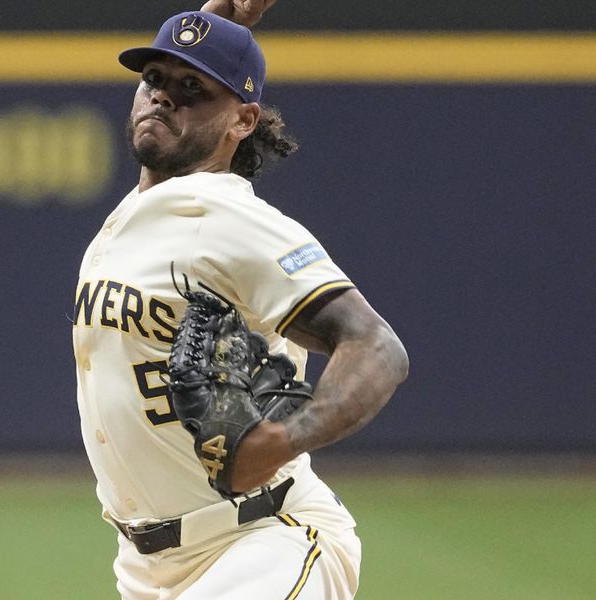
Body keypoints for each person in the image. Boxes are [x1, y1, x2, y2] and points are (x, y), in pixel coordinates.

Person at [72, 10, 409, 599]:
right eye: (153, 78)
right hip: (146, 568)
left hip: (262, 540)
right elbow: (187, 59)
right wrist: (215, 19)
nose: (162, 98)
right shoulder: (139, 213)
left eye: (191, 89)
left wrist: (281, 441)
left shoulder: (229, 218)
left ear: (243, 119)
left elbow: (377, 346)